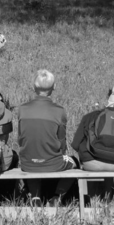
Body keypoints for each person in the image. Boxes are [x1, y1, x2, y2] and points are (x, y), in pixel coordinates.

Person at [18, 70, 79, 206]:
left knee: (32, 153)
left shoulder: (22, 109)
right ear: (54, 87)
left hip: (27, 163)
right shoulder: (59, 111)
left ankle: (35, 197)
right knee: (76, 161)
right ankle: (57, 196)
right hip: (53, 163)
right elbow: (61, 141)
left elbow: (21, 138)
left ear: (34, 87)